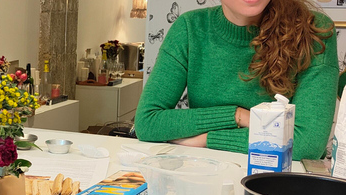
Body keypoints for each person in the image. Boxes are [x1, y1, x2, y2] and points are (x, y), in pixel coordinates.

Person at [135, 0, 338, 160]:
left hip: (281, 185)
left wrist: (208, 139)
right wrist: (237, 116)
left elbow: (306, 144)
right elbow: (148, 122)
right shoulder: (190, 28)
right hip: (206, 176)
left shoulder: (314, 30)